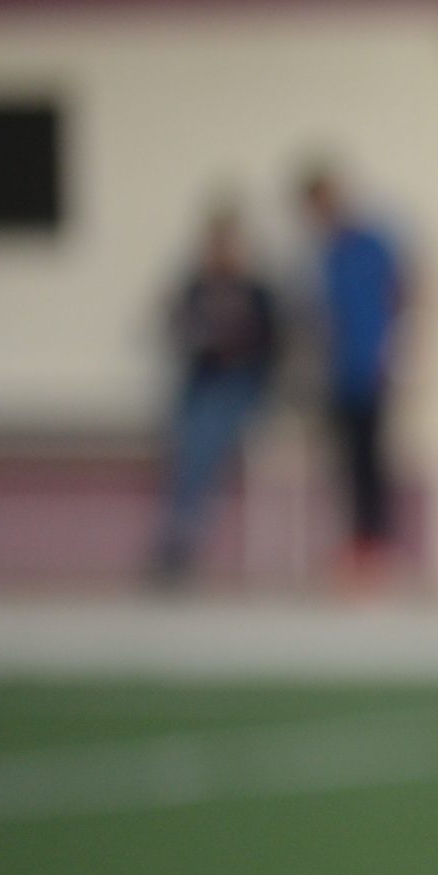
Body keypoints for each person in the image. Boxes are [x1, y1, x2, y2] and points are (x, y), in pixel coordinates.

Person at [147, 202, 280, 587]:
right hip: (201, 387)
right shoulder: (196, 288)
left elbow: (272, 348)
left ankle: (180, 540)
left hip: (240, 388)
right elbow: (177, 334)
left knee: (202, 436)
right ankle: (178, 537)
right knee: (191, 438)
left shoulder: (256, 292)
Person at [296, 161, 411, 589]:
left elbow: (403, 294)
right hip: (338, 375)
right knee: (346, 464)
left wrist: (399, 354)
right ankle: (354, 548)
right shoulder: (324, 255)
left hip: (373, 369)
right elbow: (320, 317)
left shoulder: (372, 244)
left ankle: (377, 551)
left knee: (372, 464)